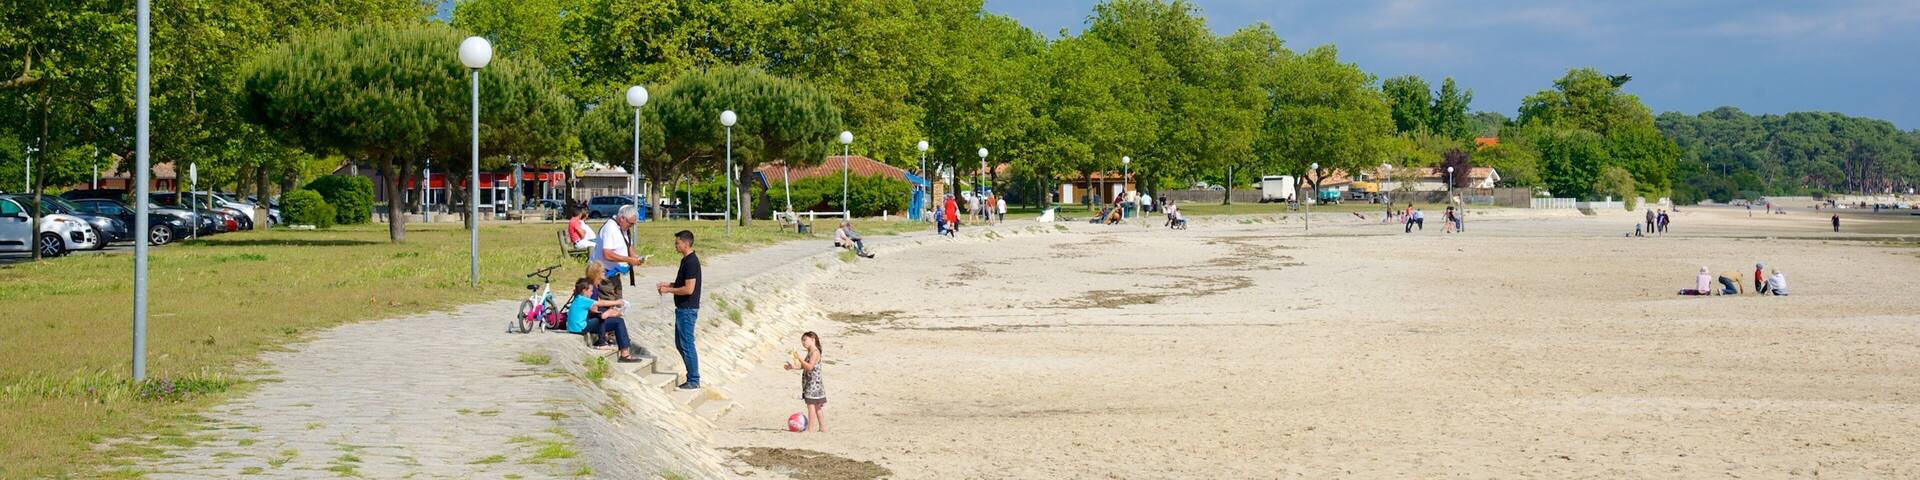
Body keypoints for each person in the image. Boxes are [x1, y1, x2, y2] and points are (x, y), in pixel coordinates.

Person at [656, 230, 704, 390]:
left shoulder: (691, 262)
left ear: (685, 243)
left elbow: (689, 289)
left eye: (677, 243)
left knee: (687, 344)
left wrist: (668, 291)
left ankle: (694, 379)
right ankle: (692, 376)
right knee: (680, 343)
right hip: (683, 309)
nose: (675, 246)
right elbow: (682, 283)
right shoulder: (686, 260)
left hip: (687, 309)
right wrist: (668, 285)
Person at [590, 205, 649, 304]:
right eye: (630, 223)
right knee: (609, 303)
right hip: (603, 272)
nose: (631, 226)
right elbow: (607, 254)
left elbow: (628, 245)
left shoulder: (624, 227)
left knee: (619, 302)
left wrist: (635, 257)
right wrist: (629, 260)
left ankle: (616, 317)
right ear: (622, 218)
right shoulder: (610, 229)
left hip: (615, 272)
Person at [783, 331, 828, 433]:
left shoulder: (815, 352)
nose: (803, 343)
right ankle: (822, 428)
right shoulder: (810, 352)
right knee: (817, 407)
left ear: (813, 339)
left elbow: (809, 367)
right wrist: (792, 367)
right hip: (813, 383)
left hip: (813, 384)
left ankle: (810, 429)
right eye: (802, 341)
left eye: (805, 340)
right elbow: (804, 366)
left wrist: (799, 358)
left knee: (811, 406)